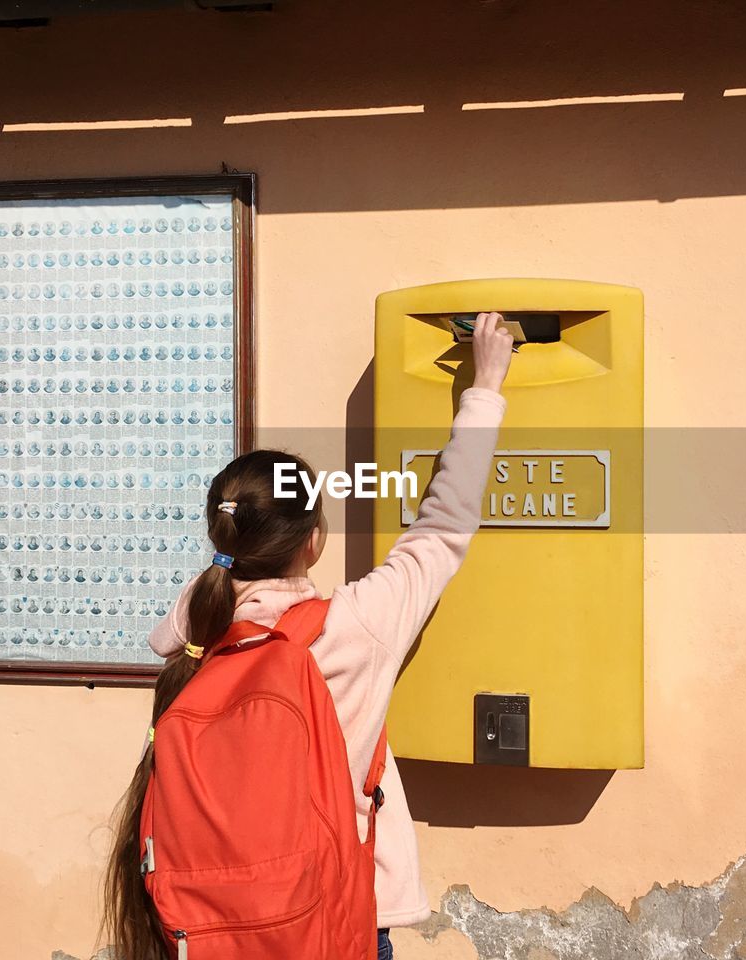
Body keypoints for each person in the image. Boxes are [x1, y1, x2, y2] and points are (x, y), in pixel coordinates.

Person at [104, 312, 513, 959]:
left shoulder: (196, 626)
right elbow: (443, 526)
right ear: (314, 543)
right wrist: (485, 385)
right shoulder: (356, 625)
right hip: (333, 918)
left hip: (210, 930)